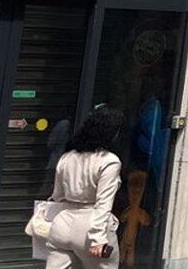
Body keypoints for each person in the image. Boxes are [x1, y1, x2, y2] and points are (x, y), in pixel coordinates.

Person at [37, 106, 124, 269]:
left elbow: (57, 195)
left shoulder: (67, 157)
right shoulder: (109, 161)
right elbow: (103, 203)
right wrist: (98, 237)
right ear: (112, 133)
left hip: (62, 225)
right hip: (90, 228)